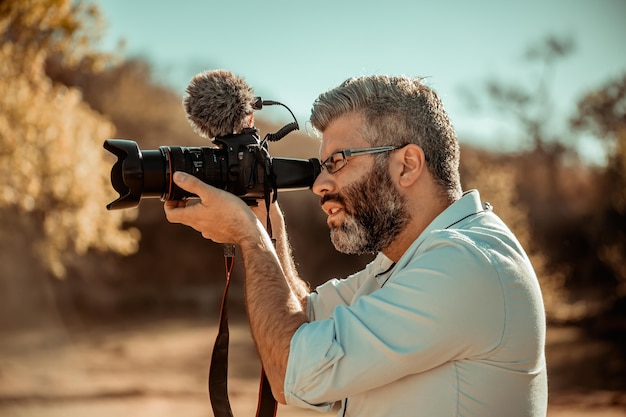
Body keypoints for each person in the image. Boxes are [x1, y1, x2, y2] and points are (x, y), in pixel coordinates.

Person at [164, 75, 548, 416]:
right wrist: (270, 224)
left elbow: (292, 371)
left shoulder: (466, 264)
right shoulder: (406, 264)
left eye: (337, 161)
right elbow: (302, 321)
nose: (318, 185)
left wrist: (250, 237)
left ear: (407, 165)